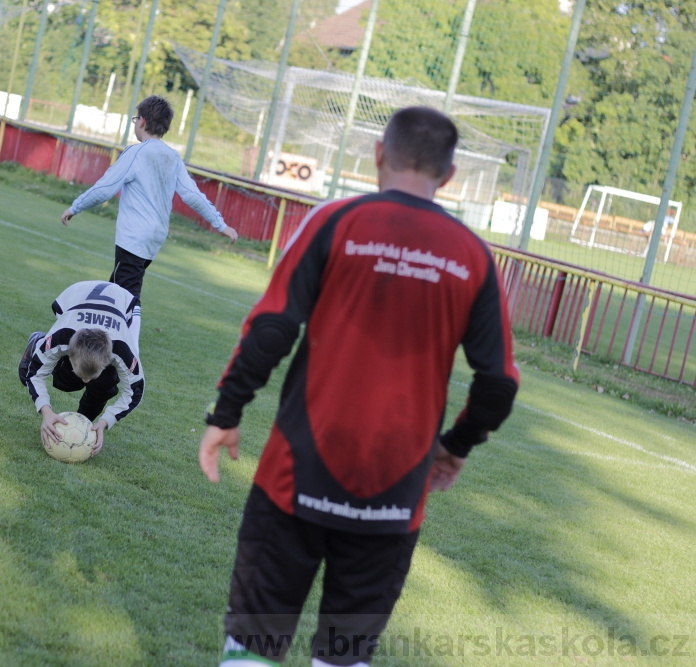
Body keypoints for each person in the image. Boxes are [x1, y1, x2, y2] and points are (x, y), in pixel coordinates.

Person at [199, 107, 520, 667]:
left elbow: (272, 329)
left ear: (378, 153)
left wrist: (226, 413)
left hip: (294, 477)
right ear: (448, 176)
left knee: (253, 646)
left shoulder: (334, 221)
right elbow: (497, 385)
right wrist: (456, 446)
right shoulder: (473, 255)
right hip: (395, 495)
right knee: (344, 658)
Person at [60, 95, 238, 343]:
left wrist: (75, 207)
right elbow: (192, 195)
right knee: (116, 289)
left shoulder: (137, 153)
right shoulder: (172, 157)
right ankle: (98, 338)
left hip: (134, 236)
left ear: (142, 121)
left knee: (127, 295)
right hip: (155, 237)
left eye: (135, 119)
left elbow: (106, 188)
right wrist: (220, 224)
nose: (135, 124)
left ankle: (128, 348)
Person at [18, 280, 145, 456]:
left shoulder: (123, 350)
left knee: (105, 384)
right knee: (64, 382)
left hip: (123, 302)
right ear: (70, 351)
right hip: (75, 296)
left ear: (108, 360)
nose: (85, 380)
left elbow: (135, 391)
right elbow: (34, 375)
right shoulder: (62, 336)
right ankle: (38, 341)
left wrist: (104, 422)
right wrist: (45, 411)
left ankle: (84, 424)